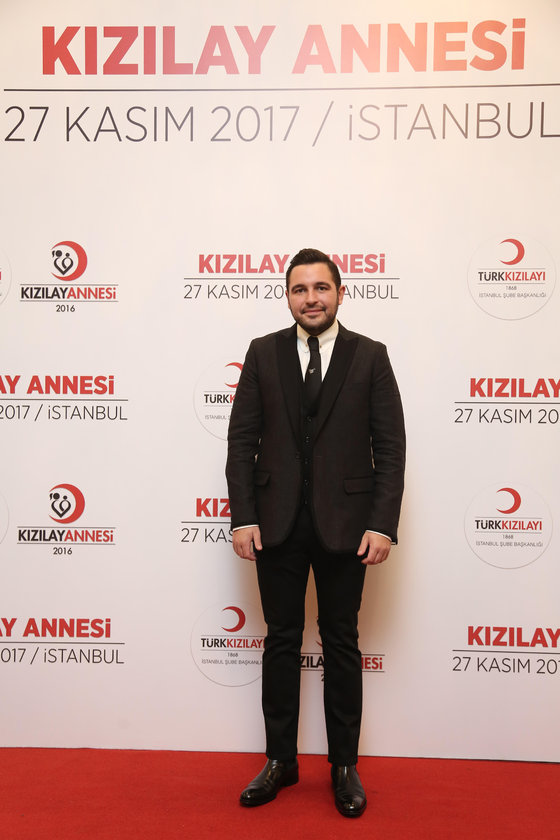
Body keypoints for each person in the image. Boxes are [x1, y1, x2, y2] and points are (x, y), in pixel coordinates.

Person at [226, 248, 405, 817]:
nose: (311, 299)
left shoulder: (370, 356)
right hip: (275, 524)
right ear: (288, 296)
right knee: (281, 640)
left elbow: (390, 447)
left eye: (321, 288)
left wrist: (381, 523)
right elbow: (241, 441)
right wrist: (243, 516)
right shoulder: (263, 352)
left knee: (341, 642)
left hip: (347, 527)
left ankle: (344, 766)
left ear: (340, 293)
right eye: (300, 289)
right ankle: (280, 760)